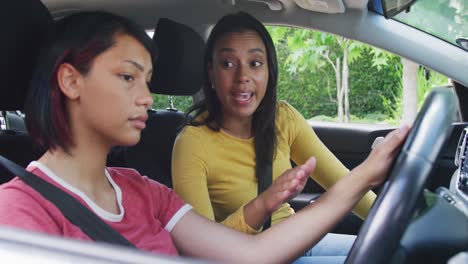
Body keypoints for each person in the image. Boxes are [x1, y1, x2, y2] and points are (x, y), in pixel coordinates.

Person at [0, 11, 408, 263]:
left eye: (149, 80)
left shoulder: (145, 192)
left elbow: (253, 255)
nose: (146, 97)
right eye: (127, 77)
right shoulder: (18, 213)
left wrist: (366, 176)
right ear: (71, 81)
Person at [172, 12, 377, 263]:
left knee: (395, 249)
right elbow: (201, 253)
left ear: (270, 70)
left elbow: (345, 184)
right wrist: (260, 207)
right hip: (251, 258)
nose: (242, 77)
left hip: (295, 238)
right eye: (227, 64)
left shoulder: (283, 118)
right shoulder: (191, 144)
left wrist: (397, 223)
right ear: (211, 74)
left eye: (255, 63)